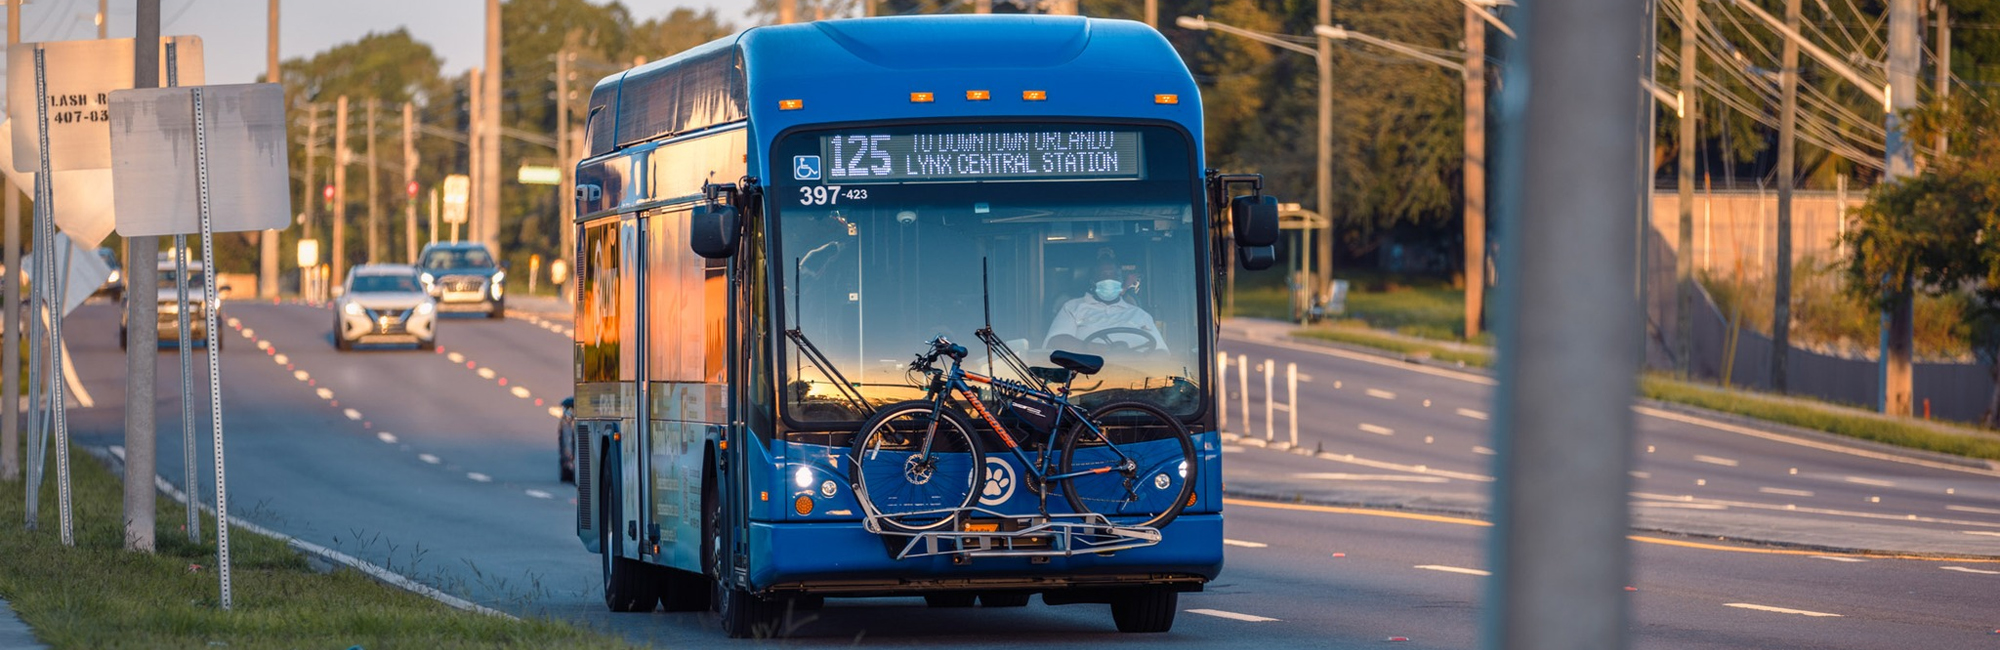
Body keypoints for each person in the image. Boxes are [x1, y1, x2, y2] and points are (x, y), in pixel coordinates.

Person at [1044, 259, 1168, 354]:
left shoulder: (1140, 314)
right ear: (1093, 282)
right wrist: (1108, 350)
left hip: (1138, 378)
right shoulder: (1073, 307)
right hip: (1086, 378)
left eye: (1115, 276)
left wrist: (1134, 357)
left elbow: (1161, 352)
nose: (1110, 280)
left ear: (1121, 282)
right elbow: (1056, 341)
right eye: (1104, 276)